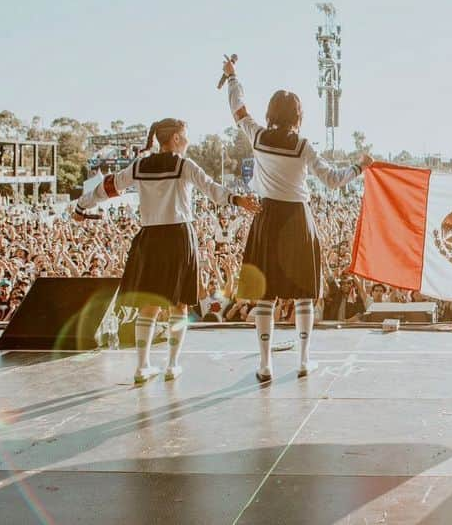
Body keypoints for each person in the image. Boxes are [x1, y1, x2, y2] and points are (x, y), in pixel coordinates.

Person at [73, 118, 261, 383]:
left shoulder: (140, 166)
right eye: (185, 135)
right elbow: (213, 190)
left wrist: (82, 206)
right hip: (179, 237)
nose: (188, 140)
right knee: (180, 305)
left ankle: (142, 367)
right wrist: (238, 200)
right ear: (175, 138)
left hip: (150, 238)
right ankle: (172, 365)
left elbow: (108, 186)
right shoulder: (184, 165)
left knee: (148, 306)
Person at [223, 57, 372, 382]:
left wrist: (233, 78)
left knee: (265, 295)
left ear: (271, 113)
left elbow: (238, 109)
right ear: (298, 116)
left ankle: (265, 364)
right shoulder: (303, 146)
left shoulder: (258, 136)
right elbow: (332, 180)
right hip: (298, 219)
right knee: (305, 293)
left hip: (267, 217)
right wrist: (359, 168)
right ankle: (304, 360)